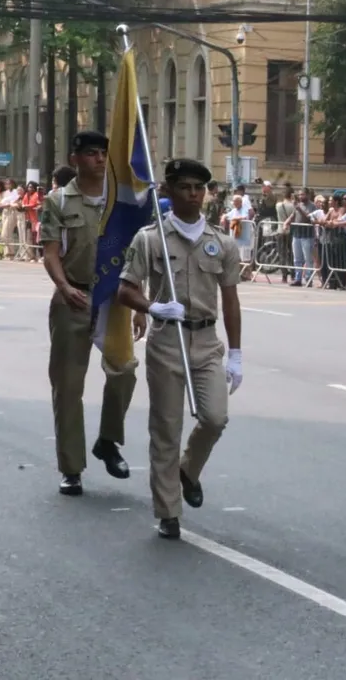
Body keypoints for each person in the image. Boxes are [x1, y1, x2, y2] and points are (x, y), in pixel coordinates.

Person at [116, 158, 242, 539]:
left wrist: (236, 353)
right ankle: (168, 510)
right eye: (185, 187)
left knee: (215, 417)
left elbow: (231, 300)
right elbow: (126, 288)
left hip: (206, 341)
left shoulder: (221, 242)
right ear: (168, 190)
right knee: (166, 429)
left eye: (199, 188)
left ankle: (188, 470)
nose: (193, 194)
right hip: (168, 340)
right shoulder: (150, 238)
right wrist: (152, 306)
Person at [39, 130, 138, 496]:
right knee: (67, 386)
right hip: (74, 297)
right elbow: (50, 252)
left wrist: (138, 301)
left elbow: (134, 253)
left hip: (114, 300)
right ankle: (71, 468)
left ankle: (108, 440)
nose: (99, 159)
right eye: (92, 153)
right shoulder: (59, 201)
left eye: (103, 153)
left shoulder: (120, 202)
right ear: (76, 158)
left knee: (124, 372)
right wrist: (64, 288)